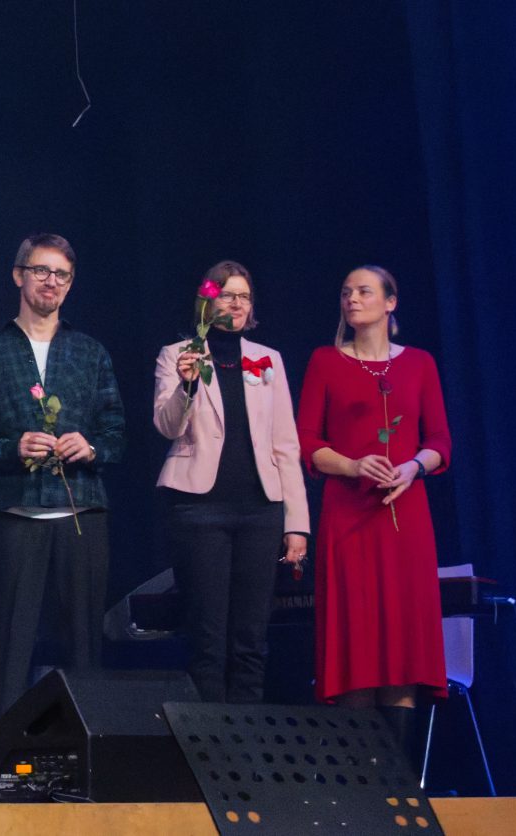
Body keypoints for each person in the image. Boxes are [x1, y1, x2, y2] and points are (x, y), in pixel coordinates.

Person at [0, 233, 126, 729]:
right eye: (41, 270)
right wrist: (13, 447)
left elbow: (116, 434)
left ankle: (87, 752)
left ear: (70, 284)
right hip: (19, 512)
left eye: (61, 275)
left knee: (85, 646)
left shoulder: (89, 351)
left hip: (82, 512)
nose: (51, 281)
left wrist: (90, 448)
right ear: (19, 275)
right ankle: (3, 756)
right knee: (12, 645)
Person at [298, 265, 450, 751]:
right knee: (356, 644)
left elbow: (440, 441)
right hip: (349, 517)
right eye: (346, 292)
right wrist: (353, 464)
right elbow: (307, 442)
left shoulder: (420, 363)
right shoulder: (325, 361)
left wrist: (412, 468)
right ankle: (362, 780)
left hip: (405, 519)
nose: (352, 299)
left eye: (364, 291)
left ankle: (399, 780)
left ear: (390, 302)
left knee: (402, 646)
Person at [149, 260, 310, 704]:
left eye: (244, 297)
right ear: (208, 301)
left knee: (251, 638)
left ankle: (249, 739)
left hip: (260, 510)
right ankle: (209, 738)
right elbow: (167, 426)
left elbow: (285, 443)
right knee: (208, 639)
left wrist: (296, 523)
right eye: (227, 295)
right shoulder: (177, 353)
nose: (237, 304)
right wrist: (186, 386)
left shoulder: (267, 359)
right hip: (199, 509)